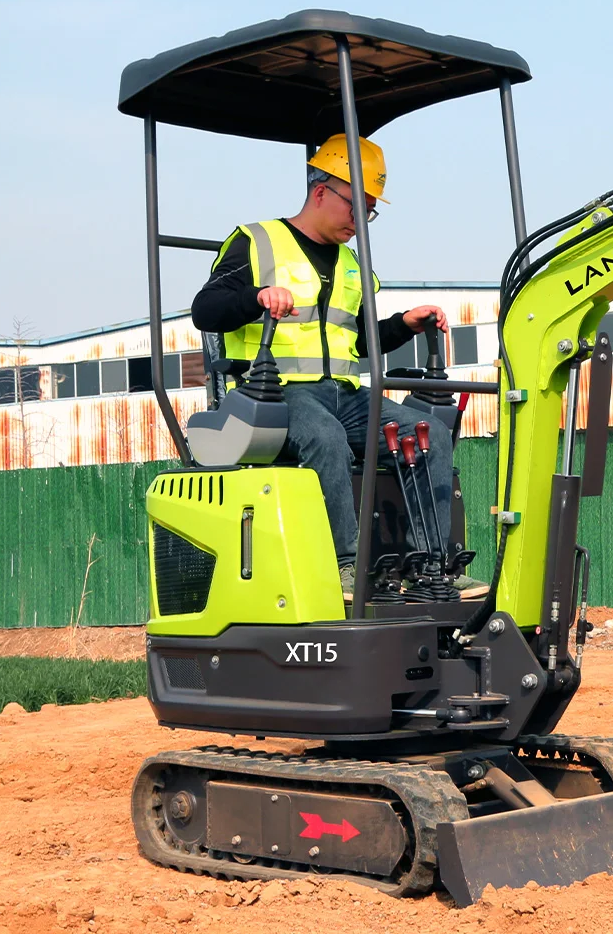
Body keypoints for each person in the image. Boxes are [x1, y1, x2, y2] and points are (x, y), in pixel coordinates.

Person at [191, 134, 487, 601]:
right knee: (325, 437)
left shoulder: (353, 265)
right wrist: (256, 297)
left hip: (346, 396)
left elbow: (358, 340)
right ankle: (345, 567)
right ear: (321, 191)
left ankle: (430, 565)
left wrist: (404, 325)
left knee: (426, 433)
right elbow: (206, 310)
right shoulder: (258, 242)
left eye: (369, 212)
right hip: (274, 394)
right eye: (356, 206)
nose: (361, 221)